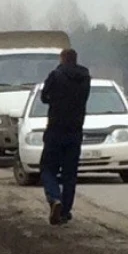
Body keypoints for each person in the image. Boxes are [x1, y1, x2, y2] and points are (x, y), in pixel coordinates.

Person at [40, 48, 91, 225]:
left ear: (62, 59)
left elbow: (44, 97)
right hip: (75, 131)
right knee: (70, 174)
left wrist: (55, 97)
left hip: (55, 129)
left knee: (48, 168)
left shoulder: (56, 75)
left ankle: (55, 199)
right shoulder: (85, 77)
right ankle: (65, 212)